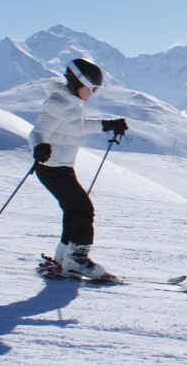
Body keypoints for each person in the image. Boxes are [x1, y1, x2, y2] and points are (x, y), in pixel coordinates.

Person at [29, 57, 128, 281]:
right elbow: (37, 132)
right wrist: (39, 146)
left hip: (61, 167)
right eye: (92, 88)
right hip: (52, 168)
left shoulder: (70, 104)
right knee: (83, 210)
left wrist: (108, 124)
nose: (93, 93)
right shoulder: (57, 104)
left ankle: (63, 259)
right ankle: (76, 261)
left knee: (73, 211)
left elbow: (77, 126)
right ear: (78, 82)